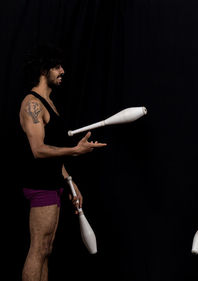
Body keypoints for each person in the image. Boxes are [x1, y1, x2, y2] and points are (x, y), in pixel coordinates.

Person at [19, 44, 106, 281]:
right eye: (57, 66)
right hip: (40, 186)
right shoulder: (32, 103)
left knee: (46, 250)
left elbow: (54, 150)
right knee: (38, 249)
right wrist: (75, 150)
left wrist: (69, 181)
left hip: (53, 183)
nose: (62, 71)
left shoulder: (50, 104)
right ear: (44, 69)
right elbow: (38, 150)